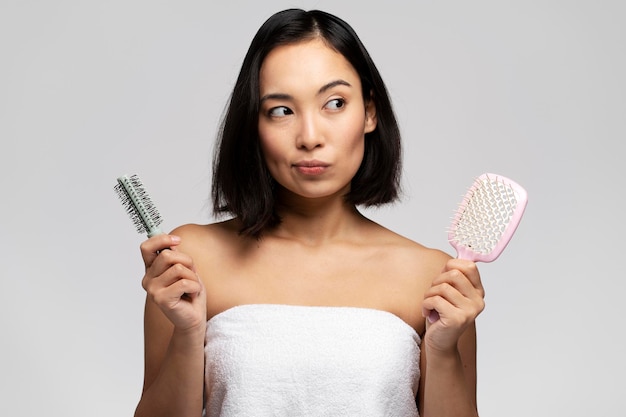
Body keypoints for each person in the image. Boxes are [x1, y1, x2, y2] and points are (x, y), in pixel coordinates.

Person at [134, 8, 485, 417]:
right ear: (254, 124)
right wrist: (187, 333)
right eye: (281, 110)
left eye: (334, 103)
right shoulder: (191, 262)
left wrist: (441, 352)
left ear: (369, 112)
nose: (310, 137)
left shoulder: (434, 280)